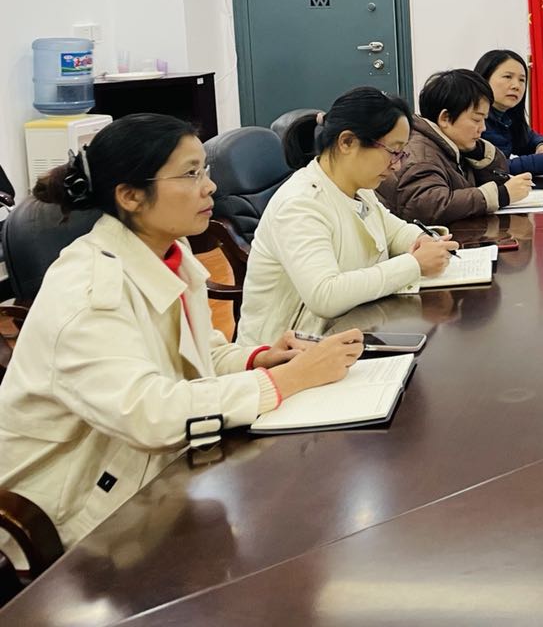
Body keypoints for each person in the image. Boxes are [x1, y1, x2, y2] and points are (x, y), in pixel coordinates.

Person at [0, 115, 363, 549]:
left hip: (147, 478)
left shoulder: (168, 251)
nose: (210, 186)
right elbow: (150, 413)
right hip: (69, 523)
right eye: (190, 174)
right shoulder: (89, 292)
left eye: (204, 170)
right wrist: (287, 380)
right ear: (131, 196)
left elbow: (199, 355)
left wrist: (260, 359)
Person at [238, 87, 458, 347]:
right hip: (287, 354)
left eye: (402, 154)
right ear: (347, 142)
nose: (397, 165)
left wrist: (424, 239)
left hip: (349, 333)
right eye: (392, 151)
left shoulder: (359, 188)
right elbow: (325, 295)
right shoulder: (300, 205)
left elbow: (394, 231)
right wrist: (414, 264)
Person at [378, 69, 533, 224]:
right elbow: (426, 207)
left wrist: (478, 153)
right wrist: (499, 196)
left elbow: (498, 176)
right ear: (445, 118)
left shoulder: (451, 144)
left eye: (484, 120)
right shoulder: (421, 156)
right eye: (476, 119)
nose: (483, 128)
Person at [474, 49, 543, 177]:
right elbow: (490, 168)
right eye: (508, 77)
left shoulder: (508, 116)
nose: (516, 86)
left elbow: (529, 139)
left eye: (522, 80)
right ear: (484, 79)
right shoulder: (474, 120)